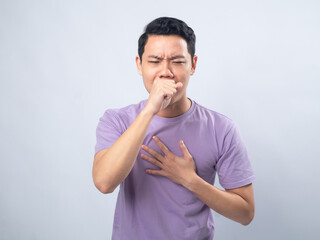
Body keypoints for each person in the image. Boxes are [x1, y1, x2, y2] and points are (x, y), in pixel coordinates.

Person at [93, 17, 255, 240]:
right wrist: (150, 110)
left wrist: (190, 180)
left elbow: (245, 213)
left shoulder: (222, 128)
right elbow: (104, 182)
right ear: (139, 65)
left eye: (177, 61)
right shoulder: (117, 120)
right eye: (155, 61)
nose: (165, 71)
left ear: (193, 65)